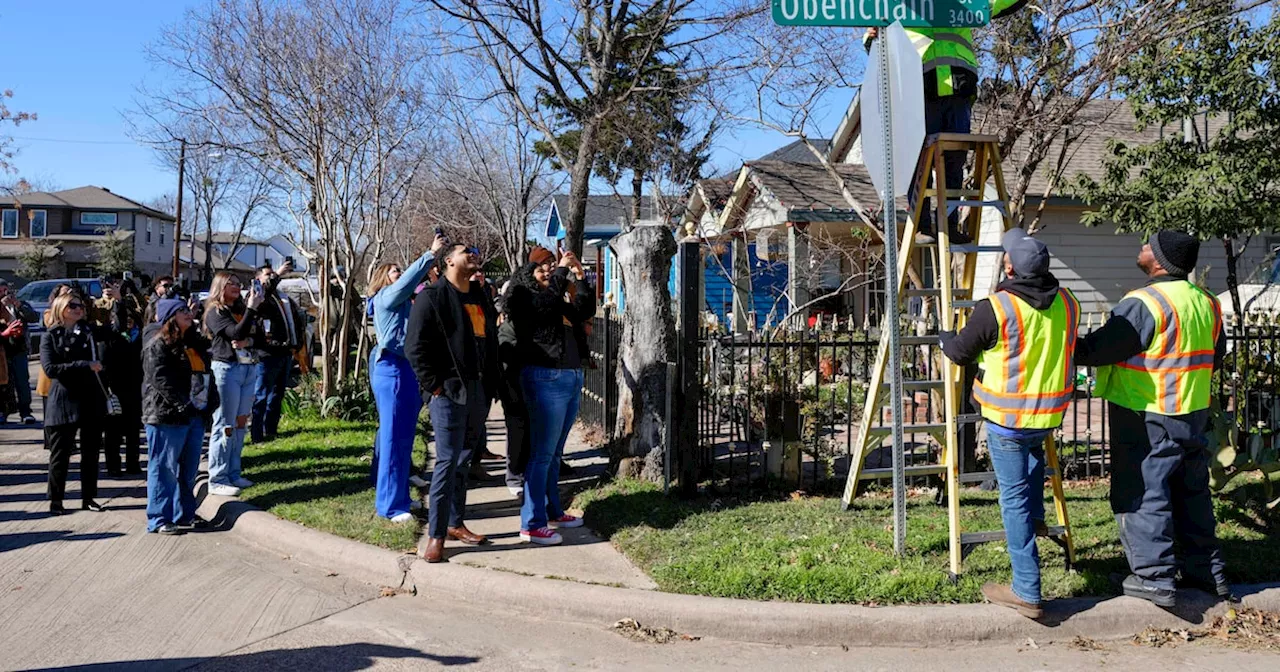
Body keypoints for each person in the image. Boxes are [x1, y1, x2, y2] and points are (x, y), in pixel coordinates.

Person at [1075, 230, 1228, 607]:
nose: (1141, 249)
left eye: (1148, 245)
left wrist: (1066, 344)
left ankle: (1154, 578)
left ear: (1159, 261)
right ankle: (1208, 574)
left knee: (1145, 492)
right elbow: (1216, 353)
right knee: (1191, 492)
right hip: (1192, 409)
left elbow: (1101, 349)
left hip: (1146, 411)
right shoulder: (1206, 302)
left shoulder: (1145, 302)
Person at [938, 229, 1080, 620]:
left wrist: (943, 338)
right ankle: (1037, 521)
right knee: (1034, 467)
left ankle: (1027, 590)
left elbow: (960, 353)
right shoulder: (1068, 303)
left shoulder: (997, 307)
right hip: (1048, 415)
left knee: (1012, 500)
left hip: (1006, 419)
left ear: (1010, 266)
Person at [864, 0, 1028, 244]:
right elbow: (875, 41)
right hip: (919, 90)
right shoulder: (897, 6)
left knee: (954, 162)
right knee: (918, 159)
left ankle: (949, 225)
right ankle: (920, 226)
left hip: (958, 87)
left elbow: (999, 2)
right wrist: (871, 38)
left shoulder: (964, 3)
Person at [405, 243, 499, 562]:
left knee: (464, 461)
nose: (473, 254)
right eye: (465, 251)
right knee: (446, 462)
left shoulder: (479, 295)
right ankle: (437, 535)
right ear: (448, 261)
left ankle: (456, 522)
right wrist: (435, 387)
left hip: (478, 390)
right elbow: (415, 348)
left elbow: (489, 339)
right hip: (448, 392)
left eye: (475, 250)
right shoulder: (432, 296)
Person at [506, 249, 594, 546]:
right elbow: (543, 308)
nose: (548, 271)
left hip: (570, 375)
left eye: (550, 267)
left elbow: (584, 310)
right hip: (545, 378)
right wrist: (560, 274)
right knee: (541, 454)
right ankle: (531, 523)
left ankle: (554, 511)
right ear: (528, 274)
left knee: (556, 452)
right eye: (542, 268)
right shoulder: (523, 297)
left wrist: (580, 276)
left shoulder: (558, 299)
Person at [369, 234, 444, 522]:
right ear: (384, 278)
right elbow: (407, 283)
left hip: (407, 370)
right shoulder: (386, 297)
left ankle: (400, 498)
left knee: (403, 439)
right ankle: (388, 506)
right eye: (394, 270)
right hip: (392, 369)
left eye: (401, 269)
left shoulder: (405, 303)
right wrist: (430, 255)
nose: (399, 273)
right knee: (391, 438)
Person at [142, 299, 214, 535]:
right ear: (169, 317)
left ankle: (184, 513)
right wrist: (183, 405)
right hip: (167, 415)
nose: (188, 313)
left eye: (188, 309)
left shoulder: (192, 343)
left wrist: (208, 403)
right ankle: (159, 518)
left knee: (188, 468)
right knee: (164, 468)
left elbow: (204, 373)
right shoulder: (158, 344)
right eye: (181, 310)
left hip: (194, 414)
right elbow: (159, 379)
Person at [40, 292, 109, 515]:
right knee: (60, 455)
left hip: (90, 399)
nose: (79, 309)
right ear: (61, 308)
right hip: (63, 400)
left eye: (81, 306)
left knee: (91, 454)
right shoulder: (50, 336)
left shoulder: (87, 332)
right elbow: (51, 369)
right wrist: (84, 365)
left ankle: (88, 497)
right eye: (73, 306)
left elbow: (115, 330)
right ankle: (56, 500)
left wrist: (117, 301)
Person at [203, 271, 266, 497]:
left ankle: (233, 472)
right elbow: (234, 332)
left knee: (241, 423)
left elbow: (258, 336)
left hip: (248, 367)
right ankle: (217, 477)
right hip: (227, 370)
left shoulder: (241, 309)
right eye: (232, 283)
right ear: (220, 285)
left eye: (239, 284)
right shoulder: (215, 311)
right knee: (225, 424)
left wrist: (248, 337)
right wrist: (251, 308)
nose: (237, 287)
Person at [251, 261, 304, 443]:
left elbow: (295, 322)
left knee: (277, 394)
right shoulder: (259, 297)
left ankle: (270, 430)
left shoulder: (281, 298)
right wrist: (277, 274)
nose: (272, 277)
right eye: (268, 274)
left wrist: (296, 344)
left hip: (284, 352)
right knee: (261, 394)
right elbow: (264, 291)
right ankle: (256, 434)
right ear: (258, 279)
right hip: (267, 354)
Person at [98, 281, 145, 475]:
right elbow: (102, 362)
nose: (128, 322)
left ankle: (133, 464)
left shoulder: (139, 337)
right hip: (113, 387)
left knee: (134, 428)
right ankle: (113, 466)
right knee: (113, 430)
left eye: (130, 319)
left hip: (135, 385)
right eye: (124, 319)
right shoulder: (109, 336)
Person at [0, 280, 36, 424]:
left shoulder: (20, 304)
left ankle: (25, 412)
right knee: (4, 385)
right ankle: (4, 411)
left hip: (19, 349)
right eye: (0, 291)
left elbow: (33, 317)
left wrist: (18, 305)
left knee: (22, 382)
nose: (3, 294)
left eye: (5, 291)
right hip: (2, 349)